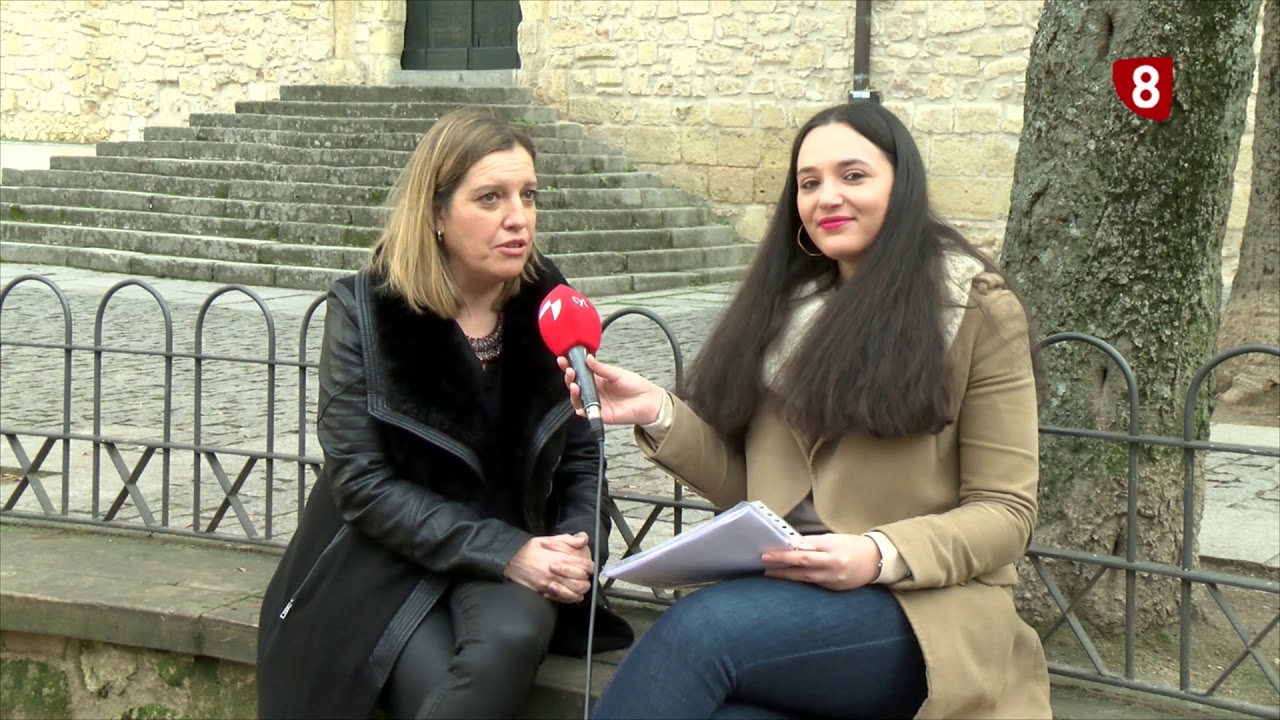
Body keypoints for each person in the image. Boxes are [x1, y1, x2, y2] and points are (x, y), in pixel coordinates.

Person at [560, 101, 1052, 719]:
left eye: (854, 176)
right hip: (789, 603)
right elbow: (757, 495)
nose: (828, 198)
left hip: (925, 611)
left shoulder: (974, 308)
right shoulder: (783, 310)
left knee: (698, 630)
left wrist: (876, 553)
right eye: (809, 182)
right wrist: (658, 410)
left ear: (901, 186)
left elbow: (1006, 512)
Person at [256, 107, 633, 720]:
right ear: (435, 214)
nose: (519, 217)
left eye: (528, 194)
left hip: (520, 546)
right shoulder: (367, 311)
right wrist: (505, 551)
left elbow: (583, 449)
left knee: (509, 641)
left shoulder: (551, 302)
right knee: (433, 686)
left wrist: (575, 546)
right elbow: (360, 483)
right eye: (490, 197)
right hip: (388, 557)